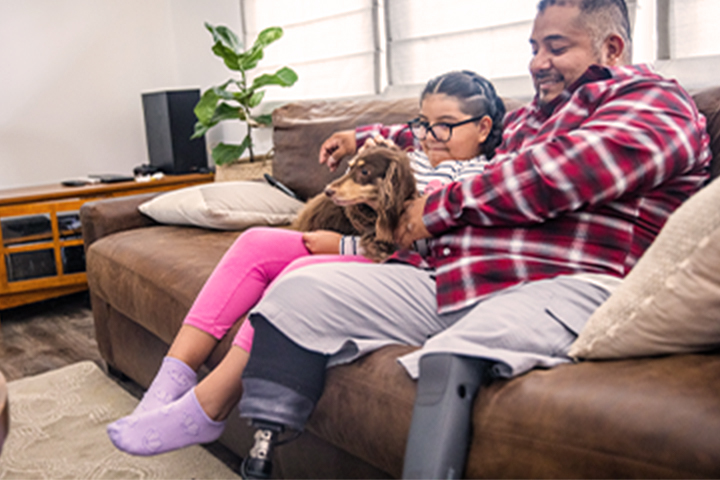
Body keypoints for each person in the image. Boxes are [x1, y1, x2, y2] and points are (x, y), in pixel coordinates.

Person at [234, 0, 712, 478]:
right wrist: (367, 138)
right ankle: (263, 454)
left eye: (556, 47)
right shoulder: (528, 120)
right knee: (299, 294)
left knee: (455, 353)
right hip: (464, 279)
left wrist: (435, 212)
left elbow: (559, 173)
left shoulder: (655, 102)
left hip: (572, 284)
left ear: (612, 48)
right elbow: (436, 136)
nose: (537, 62)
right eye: (533, 47)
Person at [105, 70, 508, 457]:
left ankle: (209, 406)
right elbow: (401, 133)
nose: (429, 136)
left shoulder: (482, 178)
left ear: (484, 127)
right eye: (424, 123)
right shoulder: (418, 148)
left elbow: (433, 248)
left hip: (403, 268)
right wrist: (358, 138)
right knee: (256, 242)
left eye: (445, 126)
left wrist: (345, 246)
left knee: (299, 275)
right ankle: (169, 380)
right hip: (361, 245)